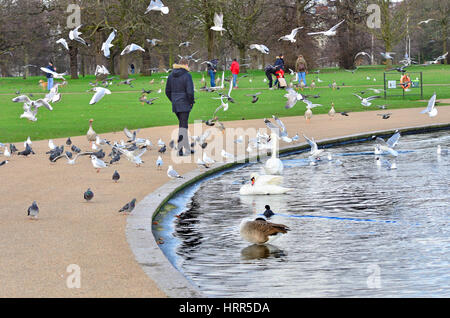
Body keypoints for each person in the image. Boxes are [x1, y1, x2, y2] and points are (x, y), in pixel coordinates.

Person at [165, 58, 195, 156]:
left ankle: (186, 148)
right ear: (186, 64)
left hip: (176, 104)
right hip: (184, 103)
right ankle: (180, 149)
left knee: (183, 125)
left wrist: (173, 100)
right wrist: (191, 102)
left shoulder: (170, 75)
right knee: (183, 126)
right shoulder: (187, 75)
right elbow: (190, 92)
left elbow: (167, 91)